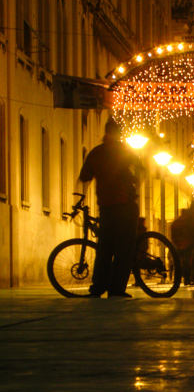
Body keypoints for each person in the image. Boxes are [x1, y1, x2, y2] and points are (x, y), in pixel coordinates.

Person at [79, 117, 143, 298]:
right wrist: (135, 185)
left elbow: (84, 177)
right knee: (124, 249)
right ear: (119, 133)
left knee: (104, 248)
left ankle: (98, 287)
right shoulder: (124, 150)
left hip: (106, 206)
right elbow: (141, 168)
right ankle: (116, 289)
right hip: (125, 203)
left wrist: (80, 199)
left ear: (105, 132)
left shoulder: (96, 152)